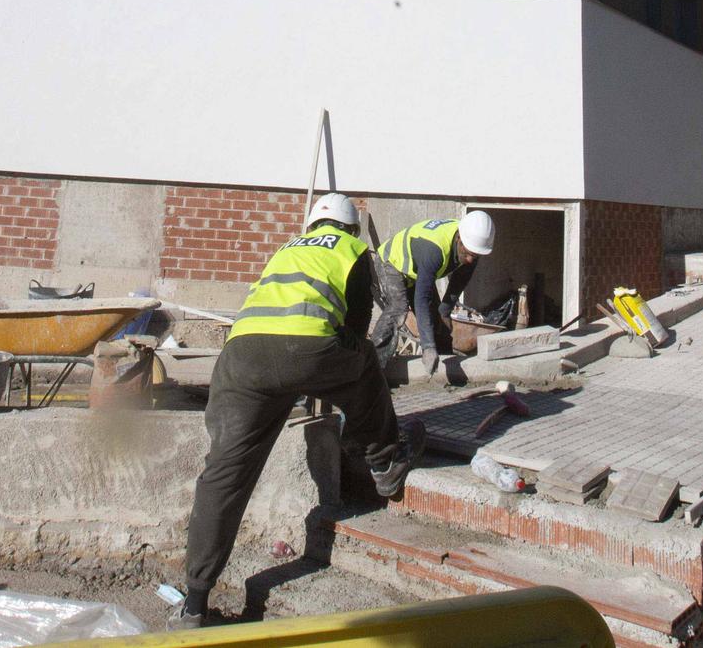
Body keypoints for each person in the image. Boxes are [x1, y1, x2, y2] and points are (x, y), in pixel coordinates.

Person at [172, 192, 424, 630]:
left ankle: (194, 602)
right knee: (364, 360)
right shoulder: (352, 250)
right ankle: (385, 462)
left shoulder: (285, 249)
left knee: (225, 474)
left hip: (241, 357)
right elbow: (354, 327)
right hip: (307, 348)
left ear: (311, 226)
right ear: (350, 228)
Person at [370, 211, 496, 376]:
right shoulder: (434, 249)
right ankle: (374, 368)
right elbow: (421, 299)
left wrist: (445, 310)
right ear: (459, 238)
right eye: (468, 254)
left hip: (416, 269)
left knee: (436, 316)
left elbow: (460, 280)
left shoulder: (471, 243)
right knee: (398, 308)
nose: (471, 260)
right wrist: (427, 346)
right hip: (392, 262)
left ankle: (444, 365)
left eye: (476, 256)